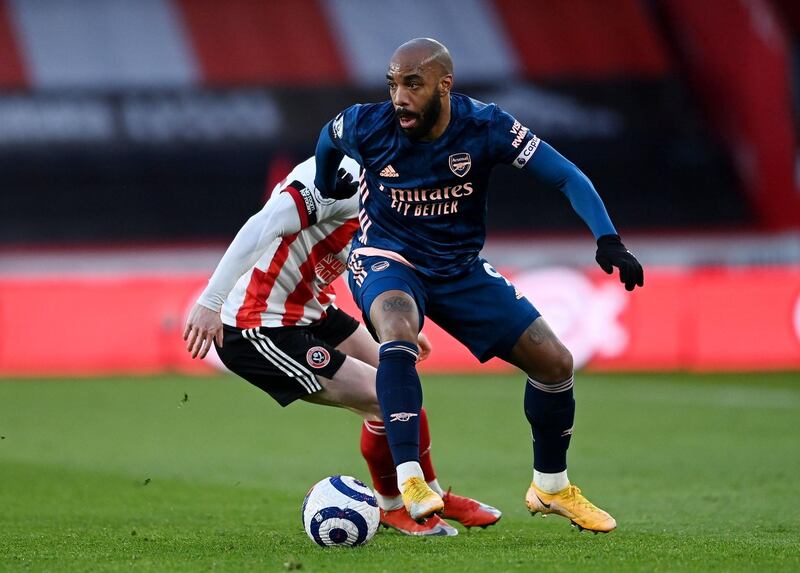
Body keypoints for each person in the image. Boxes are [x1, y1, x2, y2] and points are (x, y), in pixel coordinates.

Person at [313, 38, 644, 533]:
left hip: (459, 269)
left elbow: (565, 176)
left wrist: (608, 238)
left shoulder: (487, 126)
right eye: (393, 84)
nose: (398, 97)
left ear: (444, 84)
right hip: (388, 256)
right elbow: (328, 135)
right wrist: (324, 181)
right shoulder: (369, 124)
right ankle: (411, 480)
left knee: (554, 362)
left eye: (412, 84)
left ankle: (551, 486)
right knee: (397, 329)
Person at [183, 155, 501, 536]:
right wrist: (210, 301)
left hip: (310, 308)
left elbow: (357, 254)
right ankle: (392, 507)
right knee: (383, 399)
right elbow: (261, 225)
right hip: (258, 324)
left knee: (402, 387)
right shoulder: (334, 180)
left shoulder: (394, 193)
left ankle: (430, 496)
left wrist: (393, 321)